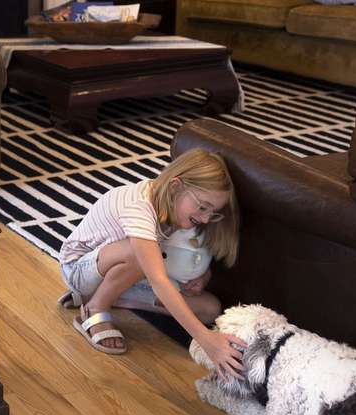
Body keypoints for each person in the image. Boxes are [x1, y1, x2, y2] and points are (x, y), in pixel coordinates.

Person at [57, 149, 246, 381]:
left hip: (125, 272)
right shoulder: (138, 207)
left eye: (212, 213)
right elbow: (158, 279)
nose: (206, 219)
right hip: (79, 269)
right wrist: (206, 340)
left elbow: (179, 259)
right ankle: (95, 308)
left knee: (209, 308)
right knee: (139, 254)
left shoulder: (174, 206)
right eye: (203, 207)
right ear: (176, 186)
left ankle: (105, 295)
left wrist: (202, 277)